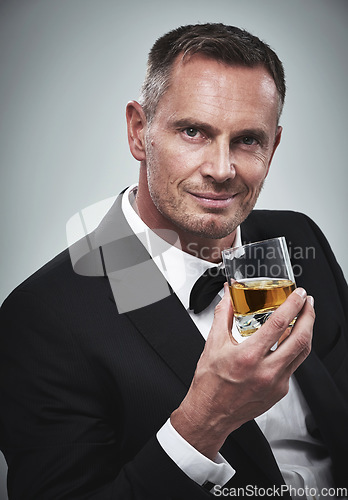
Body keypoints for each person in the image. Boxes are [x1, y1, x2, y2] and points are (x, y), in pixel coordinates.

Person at [0, 23, 347, 500]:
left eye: (248, 139)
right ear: (140, 132)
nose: (221, 169)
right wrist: (203, 422)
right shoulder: (40, 318)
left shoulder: (300, 235)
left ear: (275, 145)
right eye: (193, 132)